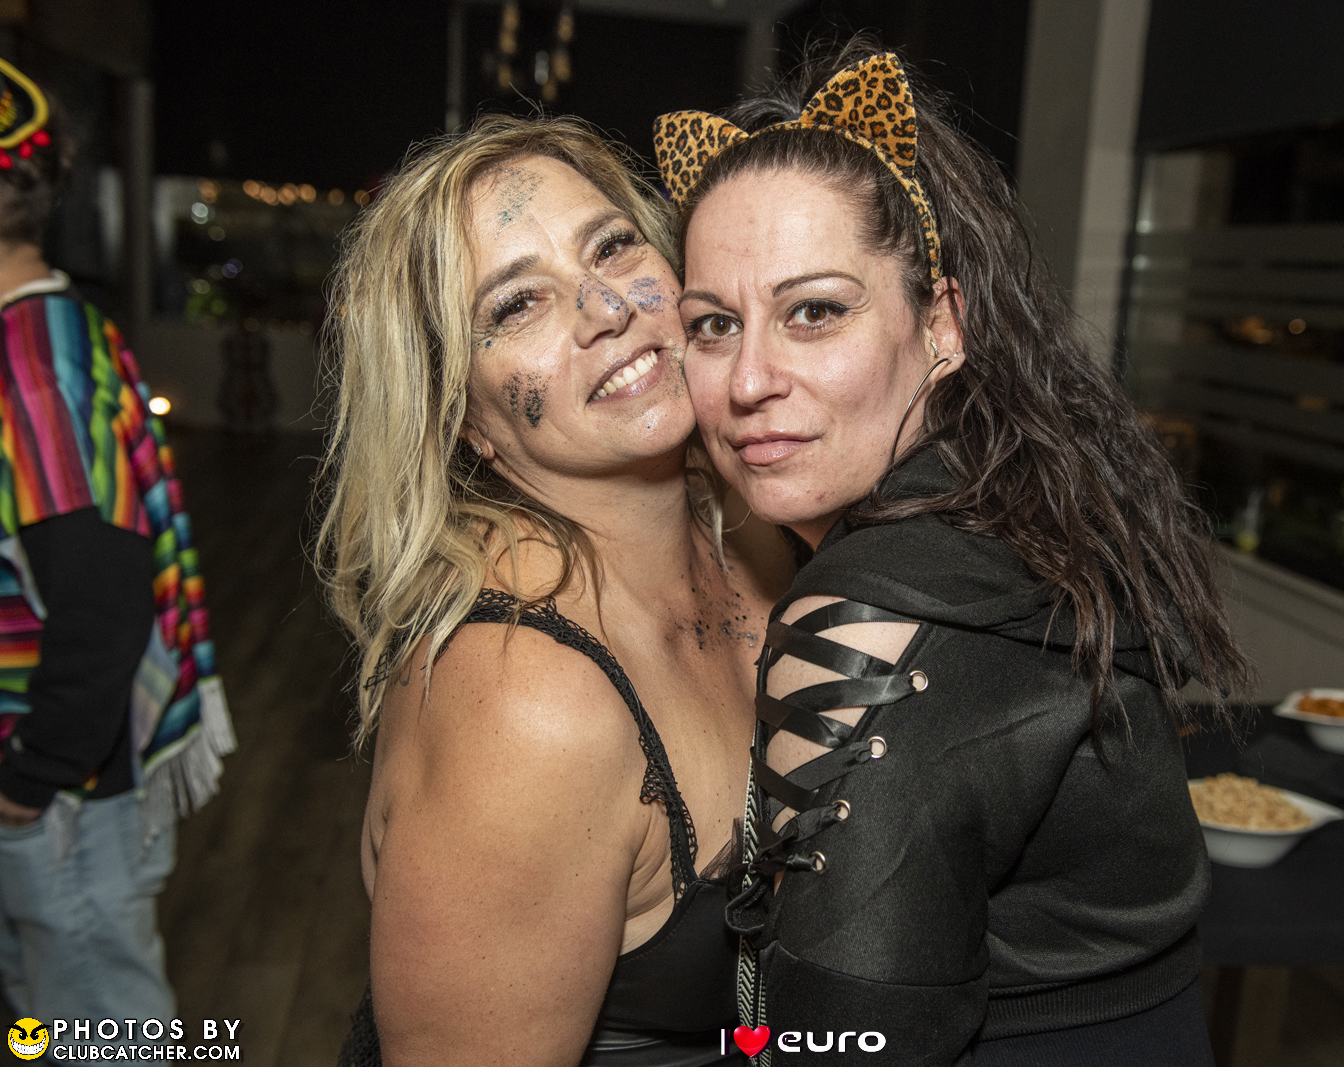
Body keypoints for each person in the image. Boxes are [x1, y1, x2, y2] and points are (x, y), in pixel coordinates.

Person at [656, 44, 1251, 1064]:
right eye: (714, 324)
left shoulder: (869, 612)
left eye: (814, 311)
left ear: (941, 324)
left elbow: (846, 1041)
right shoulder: (1027, 507)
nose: (750, 378)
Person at [317, 114, 793, 1067]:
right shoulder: (525, 703)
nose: (605, 307)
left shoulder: (760, 519)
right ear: (462, 415)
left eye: (612, 247)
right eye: (517, 305)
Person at [0, 59, 232, 1032]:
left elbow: (100, 591)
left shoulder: (30, 364)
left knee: (101, 1030)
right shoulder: (54, 326)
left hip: (65, 794)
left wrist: (32, 774)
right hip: (65, 780)